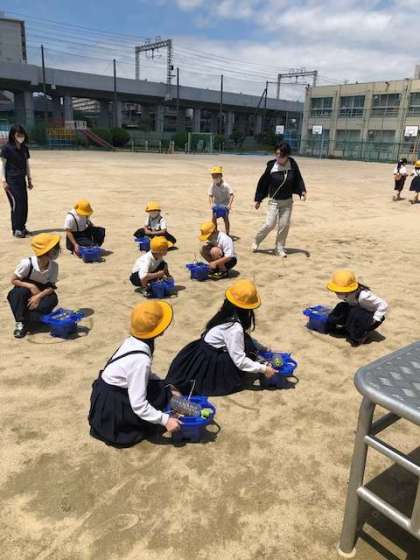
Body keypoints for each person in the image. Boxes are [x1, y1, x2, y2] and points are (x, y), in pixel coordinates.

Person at [88, 300, 181, 448]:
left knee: (165, 391)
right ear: (159, 329)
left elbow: (143, 375)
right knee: (164, 399)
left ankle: (188, 408)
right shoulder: (141, 360)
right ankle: (189, 411)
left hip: (107, 394)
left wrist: (164, 384)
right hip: (114, 407)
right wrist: (166, 421)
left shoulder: (133, 341)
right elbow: (139, 405)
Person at [165, 279, 276, 396]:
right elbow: (239, 361)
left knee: (248, 344)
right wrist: (264, 369)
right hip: (208, 361)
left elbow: (244, 338)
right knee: (246, 351)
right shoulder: (234, 328)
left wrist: (261, 348)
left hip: (199, 351)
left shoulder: (227, 313)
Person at [253, 142, 307, 258]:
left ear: (287, 155)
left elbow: (298, 178)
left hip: (287, 202)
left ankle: (279, 248)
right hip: (274, 201)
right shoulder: (271, 166)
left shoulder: (292, 164)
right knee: (270, 224)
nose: (278, 157)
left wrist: (302, 191)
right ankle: (257, 240)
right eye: (277, 154)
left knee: (284, 225)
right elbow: (263, 183)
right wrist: (258, 200)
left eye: (281, 155)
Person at [7, 233, 60, 338]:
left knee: (52, 299)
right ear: (46, 251)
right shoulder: (27, 263)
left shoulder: (54, 266)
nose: (58, 251)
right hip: (25, 288)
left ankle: (33, 319)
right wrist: (31, 286)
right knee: (17, 293)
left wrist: (38, 296)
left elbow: (51, 287)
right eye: (55, 248)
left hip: (42, 291)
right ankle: (20, 323)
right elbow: (14, 280)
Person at [326, 269, 388, 346]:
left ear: (348, 290)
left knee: (354, 315)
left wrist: (375, 319)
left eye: (338, 291)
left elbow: (383, 304)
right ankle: (346, 328)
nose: (336, 293)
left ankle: (361, 336)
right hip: (358, 310)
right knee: (341, 306)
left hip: (371, 316)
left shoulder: (364, 296)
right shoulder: (348, 294)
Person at [1, 124, 33, 238]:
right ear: (13, 135)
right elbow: (2, 165)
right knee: (16, 204)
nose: (21, 137)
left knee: (24, 204)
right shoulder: (6, 148)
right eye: (18, 135)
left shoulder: (24, 148)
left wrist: (29, 179)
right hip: (11, 181)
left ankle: (22, 227)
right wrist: (3, 181)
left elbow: (27, 164)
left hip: (21, 180)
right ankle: (16, 229)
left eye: (22, 135)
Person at [208, 166, 234, 236]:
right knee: (213, 218)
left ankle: (227, 234)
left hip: (225, 205)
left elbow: (232, 195)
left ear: (220, 176)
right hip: (216, 204)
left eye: (216, 176)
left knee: (225, 218)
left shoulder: (226, 185)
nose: (214, 178)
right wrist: (211, 203)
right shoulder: (212, 185)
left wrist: (229, 205)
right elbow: (210, 195)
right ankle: (215, 232)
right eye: (213, 176)